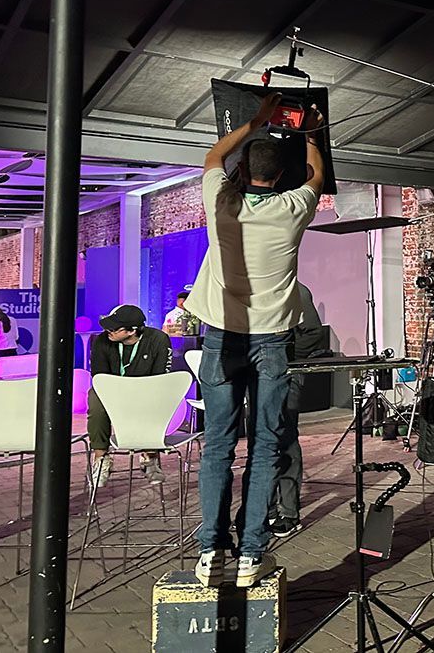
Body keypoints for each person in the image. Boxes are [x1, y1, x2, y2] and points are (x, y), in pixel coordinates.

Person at [186, 93, 324, 588]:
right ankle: (250, 556)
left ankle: (209, 553)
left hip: (222, 337)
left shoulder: (221, 201)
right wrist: (309, 134)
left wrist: (255, 122)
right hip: (270, 341)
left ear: (243, 171)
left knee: (218, 446)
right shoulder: (292, 208)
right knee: (266, 446)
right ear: (278, 176)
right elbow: (317, 177)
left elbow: (211, 158)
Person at [87, 304, 173, 487]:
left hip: (147, 390)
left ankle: (150, 458)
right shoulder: (102, 341)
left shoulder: (158, 340)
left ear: (132, 331)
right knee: (96, 400)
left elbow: (160, 379)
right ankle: (101, 459)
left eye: (114, 328)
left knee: (157, 400)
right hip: (112, 391)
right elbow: (99, 377)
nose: (108, 331)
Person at [268, 281, 323, 540]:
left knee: (286, 440)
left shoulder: (295, 289)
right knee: (262, 444)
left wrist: (284, 362)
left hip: (286, 375)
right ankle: (263, 508)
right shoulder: (251, 286)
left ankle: (288, 512)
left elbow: (312, 333)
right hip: (257, 377)